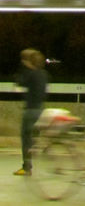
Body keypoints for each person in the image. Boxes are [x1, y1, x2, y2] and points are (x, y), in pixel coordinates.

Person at [13, 48, 48, 176]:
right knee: (33, 137)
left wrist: (24, 69)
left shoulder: (30, 73)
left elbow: (19, 83)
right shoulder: (43, 73)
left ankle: (26, 167)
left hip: (30, 110)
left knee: (26, 138)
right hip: (40, 109)